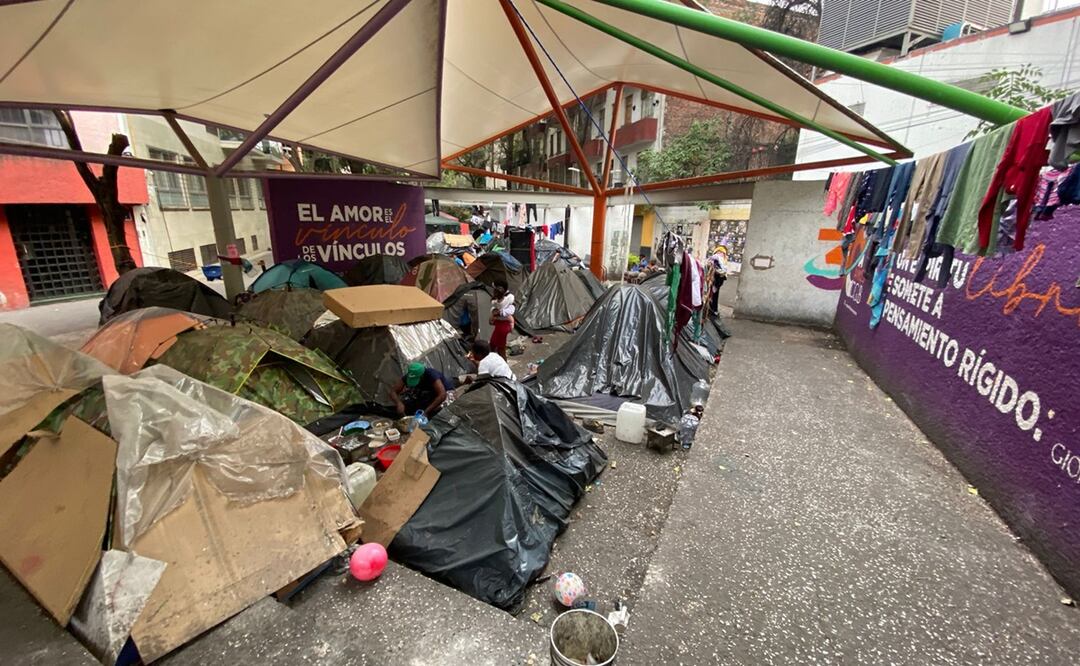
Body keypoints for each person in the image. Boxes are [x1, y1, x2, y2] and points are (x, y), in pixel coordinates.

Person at [388, 362, 453, 417]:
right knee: (413, 407)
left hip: (445, 393)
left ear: (422, 376)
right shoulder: (410, 375)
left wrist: (426, 411)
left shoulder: (431, 375)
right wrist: (398, 403)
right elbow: (393, 391)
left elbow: (442, 395)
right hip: (428, 393)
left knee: (436, 413)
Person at [489, 281, 515, 359]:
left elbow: (511, 310)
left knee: (500, 347)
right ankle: (495, 359)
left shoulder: (507, 300)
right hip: (500, 324)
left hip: (503, 325)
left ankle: (502, 362)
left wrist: (499, 313)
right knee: (493, 344)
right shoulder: (498, 301)